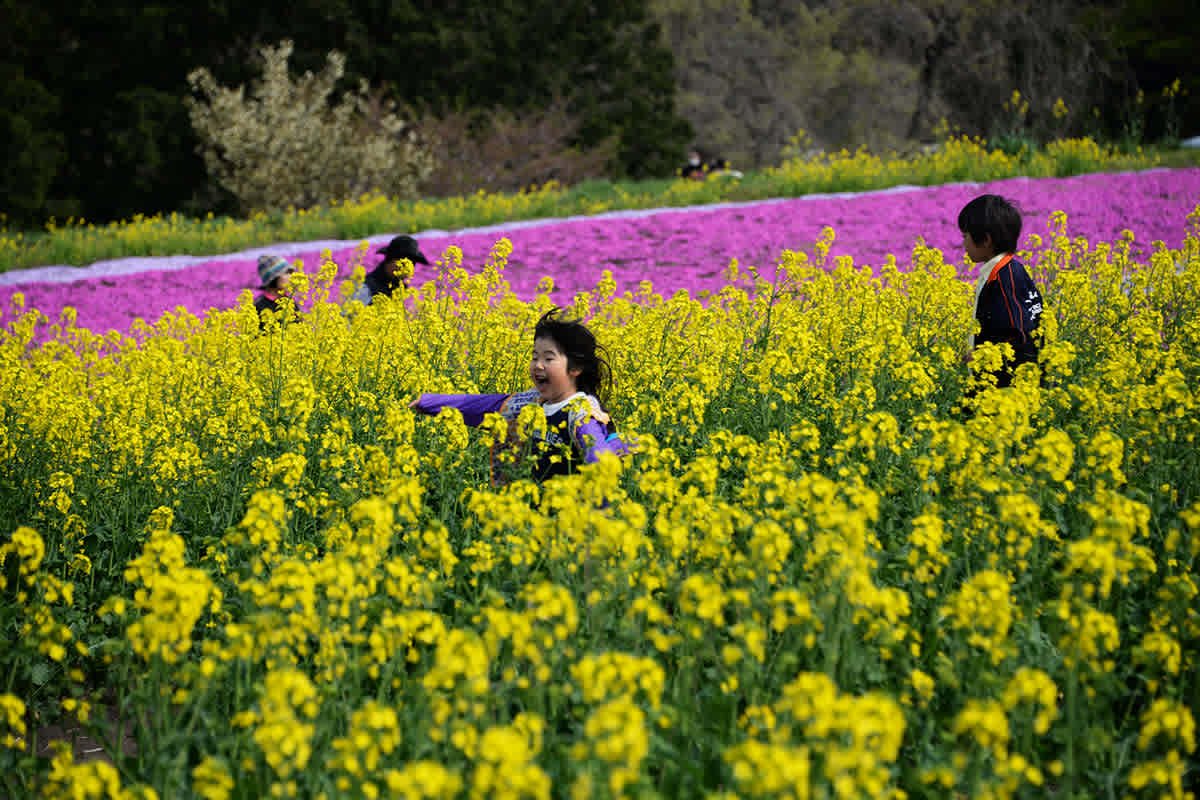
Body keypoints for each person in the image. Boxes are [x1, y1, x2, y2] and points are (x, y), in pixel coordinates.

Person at [410, 309, 631, 483]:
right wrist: (429, 403)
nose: (538, 365)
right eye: (535, 357)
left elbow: (598, 455)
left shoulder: (582, 414)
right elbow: (484, 406)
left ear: (575, 368)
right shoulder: (531, 402)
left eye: (548, 358)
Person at [958, 194, 1044, 388]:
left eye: (965, 236)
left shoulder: (1004, 278)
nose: (963, 244)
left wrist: (982, 356)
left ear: (986, 240)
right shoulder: (1009, 270)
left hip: (1005, 387)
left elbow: (1019, 335)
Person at [351, 235, 430, 305]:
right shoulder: (365, 288)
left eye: (412, 265)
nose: (407, 270)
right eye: (403, 264)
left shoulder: (404, 290)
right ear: (389, 260)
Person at [253, 254, 296, 323]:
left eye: (290, 273)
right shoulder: (258, 307)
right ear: (273, 278)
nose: (291, 277)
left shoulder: (290, 302)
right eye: (286, 273)